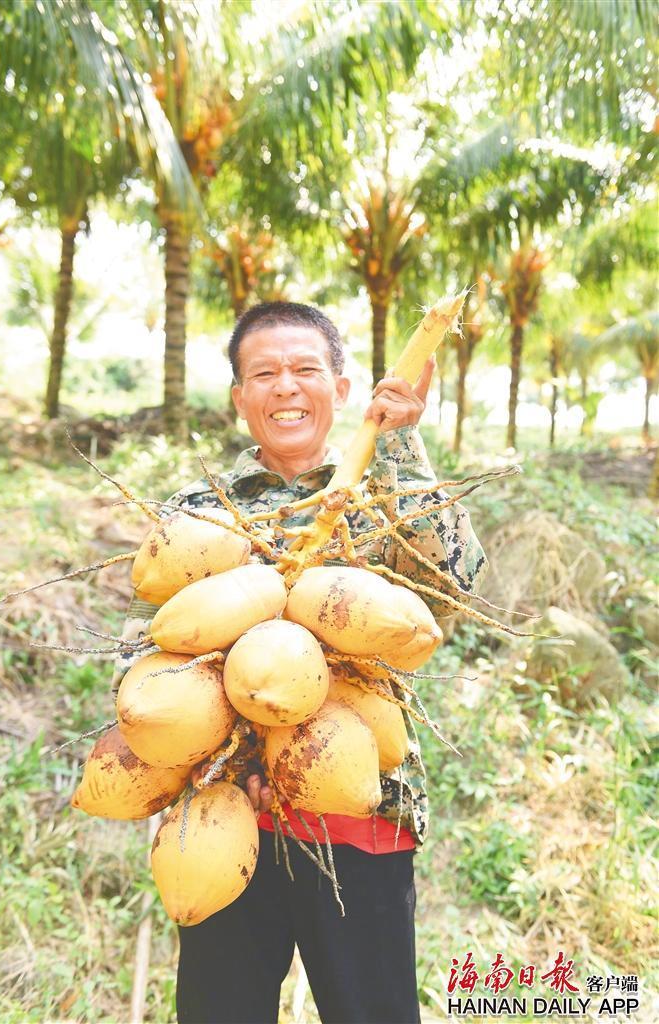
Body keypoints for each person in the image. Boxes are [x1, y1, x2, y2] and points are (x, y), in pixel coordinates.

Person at [112, 301, 487, 1024]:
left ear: (339, 389)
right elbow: (158, 638)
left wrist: (403, 446)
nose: (285, 386)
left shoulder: (385, 495)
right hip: (226, 815)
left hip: (357, 809)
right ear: (239, 397)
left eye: (305, 370)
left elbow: (453, 588)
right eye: (264, 373)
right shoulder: (200, 512)